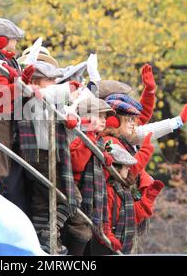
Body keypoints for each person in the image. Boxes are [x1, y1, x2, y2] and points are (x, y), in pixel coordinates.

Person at [17, 54, 80, 255]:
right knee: (70, 198)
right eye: (49, 80)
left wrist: (72, 116)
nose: (54, 83)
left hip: (54, 153)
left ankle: (45, 238)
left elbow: (68, 110)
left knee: (44, 201)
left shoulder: (50, 97)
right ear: (36, 82)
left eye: (55, 80)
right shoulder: (31, 97)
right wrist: (66, 90)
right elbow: (43, 98)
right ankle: (49, 234)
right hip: (39, 155)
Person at [0, 18, 35, 194]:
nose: (16, 42)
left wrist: (23, 80)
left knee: (1, 163)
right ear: (1, 40)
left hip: (3, 118)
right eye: (13, 39)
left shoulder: (5, 61)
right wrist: (23, 88)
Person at [66, 96, 115, 255]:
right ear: (86, 116)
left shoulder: (97, 139)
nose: (104, 120)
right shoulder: (79, 135)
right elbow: (77, 163)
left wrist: (104, 156)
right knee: (80, 228)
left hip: (91, 193)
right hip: (77, 188)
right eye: (99, 116)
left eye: (105, 117)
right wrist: (93, 147)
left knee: (87, 229)